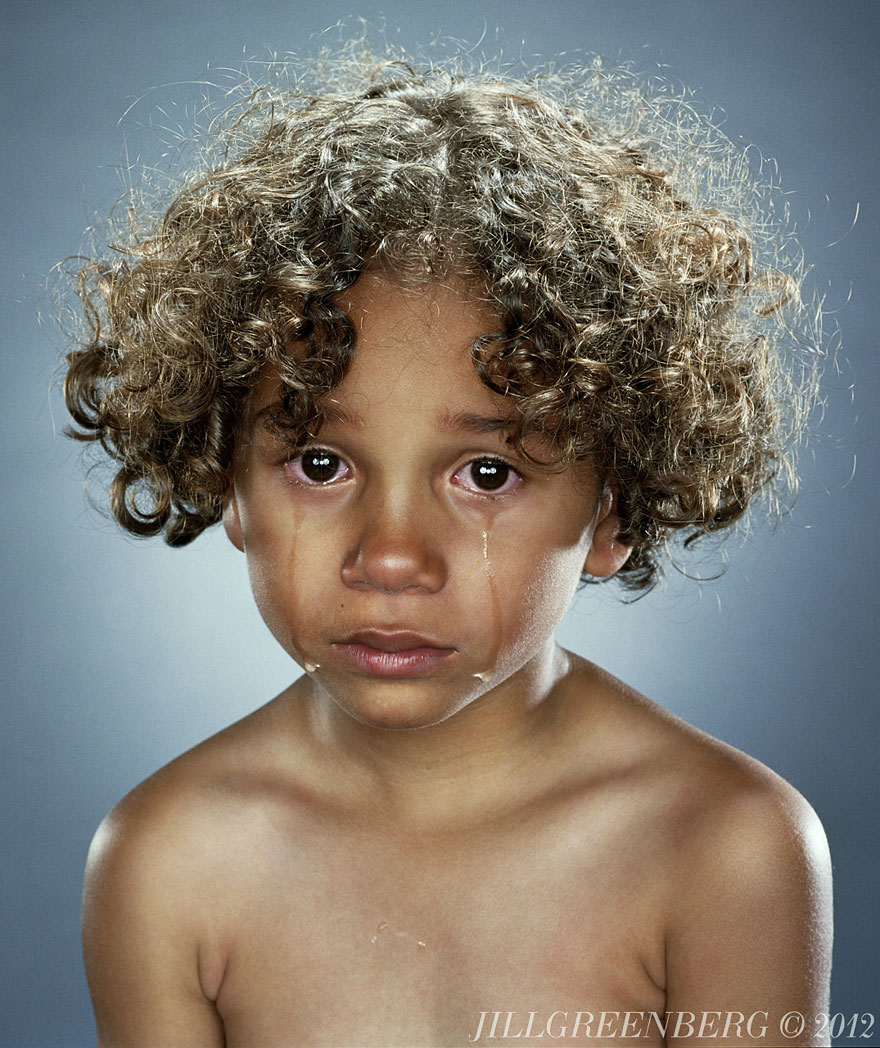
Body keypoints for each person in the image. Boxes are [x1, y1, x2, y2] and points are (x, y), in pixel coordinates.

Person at [65, 47, 833, 1047]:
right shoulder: (164, 862)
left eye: (485, 474)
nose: (390, 559)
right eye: (319, 463)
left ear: (613, 513)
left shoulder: (723, 847)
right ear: (229, 486)